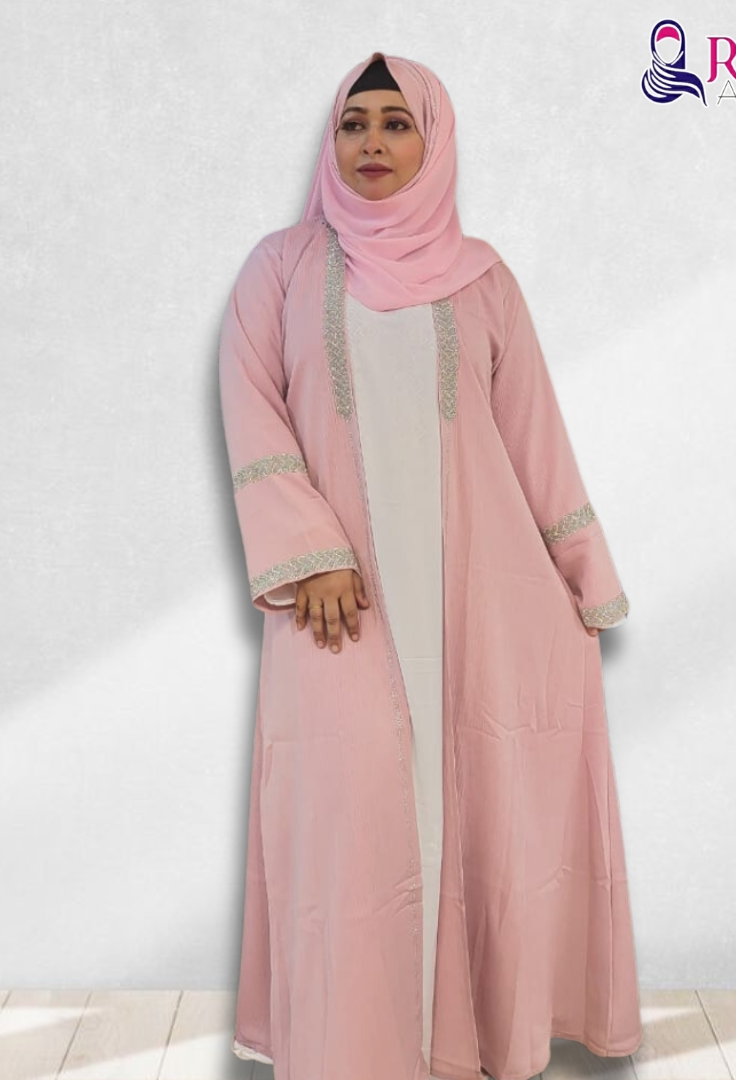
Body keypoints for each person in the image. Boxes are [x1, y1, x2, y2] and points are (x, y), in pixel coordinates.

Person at [218, 51, 640, 1080]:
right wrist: (310, 551)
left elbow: (533, 436)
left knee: (484, 818)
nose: (371, 142)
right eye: (354, 123)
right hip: (339, 610)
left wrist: (585, 576)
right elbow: (249, 404)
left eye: (396, 123)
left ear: (434, 141)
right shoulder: (281, 269)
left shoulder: (484, 279)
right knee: (348, 822)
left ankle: (467, 1047)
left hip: (486, 610)